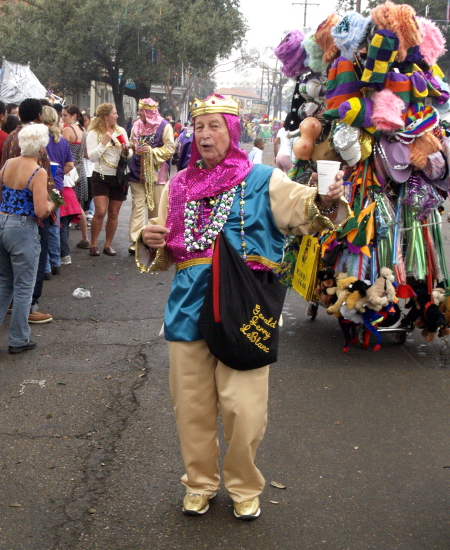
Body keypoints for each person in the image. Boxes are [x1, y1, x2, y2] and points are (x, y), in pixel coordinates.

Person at [138, 94, 347, 520]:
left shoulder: (262, 180)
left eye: (215, 126)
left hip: (243, 306)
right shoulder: (177, 185)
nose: (205, 135)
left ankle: (243, 485)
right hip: (187, 305)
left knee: (244, 409)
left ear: (232, 131)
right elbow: (162, 249)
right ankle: (199, 483)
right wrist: (149, 240)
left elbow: (308, 210)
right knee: (191, 405)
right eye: (199, 127)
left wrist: (326, 200)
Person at [0, 124, 55, 353]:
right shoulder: (38, 172)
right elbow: (41, 210)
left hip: (2, 221)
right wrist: (54, 203)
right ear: (42, 146)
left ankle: (18, 337)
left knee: (4, 283)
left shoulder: (8, 165)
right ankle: (18, 339)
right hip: (23, 228)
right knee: (24, 286)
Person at [127, 98, 174, 254]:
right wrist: (127, 151)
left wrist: (153, 152)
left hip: (156, 175)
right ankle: (137, 240)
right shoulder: (136, 125)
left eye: (142, 110)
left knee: (156, 209)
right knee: (138, 207)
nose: (139, 112)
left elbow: (170, 148)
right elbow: (132, 145)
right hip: (137, 172)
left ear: (150, 112)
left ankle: (155, 241)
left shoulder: (164, 126)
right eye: (139, 109)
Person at [86, 103, 131, 256]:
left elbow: (128, 154)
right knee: (100, 211)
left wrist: (126, 151)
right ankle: (93, 244)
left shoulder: (121, 131)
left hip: (118, 176)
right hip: (101, 176)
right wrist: (104, 142)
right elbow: (92, 157)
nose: (117, 116)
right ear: (106, 116)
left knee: (113, 213)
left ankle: (107, 245)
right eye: (114, 113)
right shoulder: (93, 133)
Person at [42, 106, 74, 270]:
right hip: (58, 185)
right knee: (55, 223)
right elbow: (70, 164)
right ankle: (55, 262)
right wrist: (60, 174)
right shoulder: (61, 140)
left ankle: (46, 265)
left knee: (42, 225)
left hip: (41, 185)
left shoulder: (39, 138)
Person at [61, 105, 90, 249]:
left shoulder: (67, 130)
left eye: (65, 115)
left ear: (73, 115)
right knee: (79, 206)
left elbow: (62, 151)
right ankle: (84, 237)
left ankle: (66, 241)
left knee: (72, 204)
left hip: (70, 170)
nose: (62, 118)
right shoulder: (83, 131)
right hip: (81, 169)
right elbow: (86, 153)